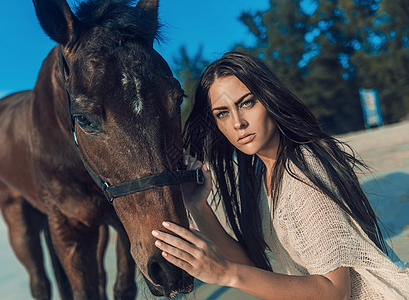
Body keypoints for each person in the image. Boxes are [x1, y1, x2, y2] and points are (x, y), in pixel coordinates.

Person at [151, 52, 409, 299]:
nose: (238, 122)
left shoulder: (302, 169)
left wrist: (226, 273)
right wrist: (197, 206)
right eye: (223, 113)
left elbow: (335, 291)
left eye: (247, 103)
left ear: (270, 98)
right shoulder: (262, 174)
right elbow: (253, 268)